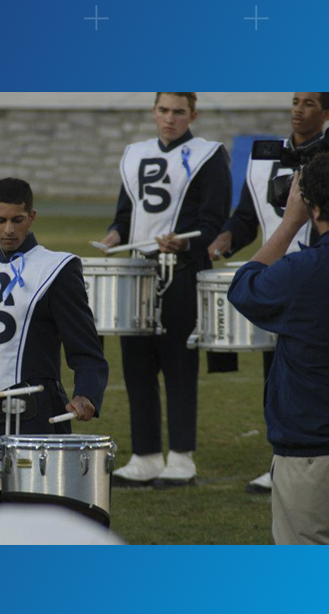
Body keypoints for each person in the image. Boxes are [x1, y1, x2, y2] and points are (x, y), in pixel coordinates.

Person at [100, 93, 231, 486]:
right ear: (153, 112)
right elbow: (126, 215)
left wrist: (185, 244)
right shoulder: (136, 154)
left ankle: (182, 457)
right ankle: (145, 455)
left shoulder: (208, 155)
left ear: (193, 114)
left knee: (178, 363)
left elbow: (214, 220)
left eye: (178, 112)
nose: (169, 119)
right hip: (138, 270)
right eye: (163, 110)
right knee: (136, 363)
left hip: (184, 270)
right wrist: (113, 235)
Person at [208, 93, 327, 493]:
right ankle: (278, 458)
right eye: (294, 101)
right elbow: (247, 216)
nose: (298, 109)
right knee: (277, 373)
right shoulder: (264, 159)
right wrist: (226, 238)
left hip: (311, 279)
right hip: (282, 280)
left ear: (325, 114)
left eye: (309, 103)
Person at [0, 178, 108, 436]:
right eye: (0, 220)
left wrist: (86, 394)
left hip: (40, 414)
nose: (8, 230)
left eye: (17, 220)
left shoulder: (56, 269)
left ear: (32, 217)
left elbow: (86, 348)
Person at [227, 155, 329, 543]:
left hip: (311, 445)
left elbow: (245, 286)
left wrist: (290, 222)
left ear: (312, 206)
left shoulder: (302, 271)